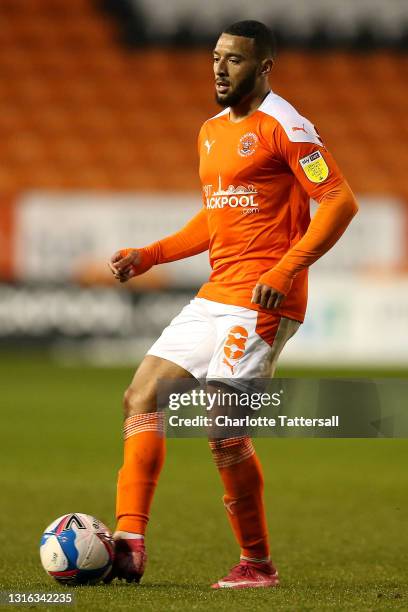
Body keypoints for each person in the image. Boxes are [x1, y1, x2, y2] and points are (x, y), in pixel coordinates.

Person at [108, 20, 358, 589]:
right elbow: (216, 217)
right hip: (216, 294)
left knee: (221, 426)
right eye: (216, 57)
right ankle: (128, 543)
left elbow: (340, 201)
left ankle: (258, 565)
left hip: (266, 298)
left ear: (264, 67)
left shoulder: (287, 127)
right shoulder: (211, 131)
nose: (220, 68)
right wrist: (152, 254)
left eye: (235, 60)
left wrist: (286, 268)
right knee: (140, 395)